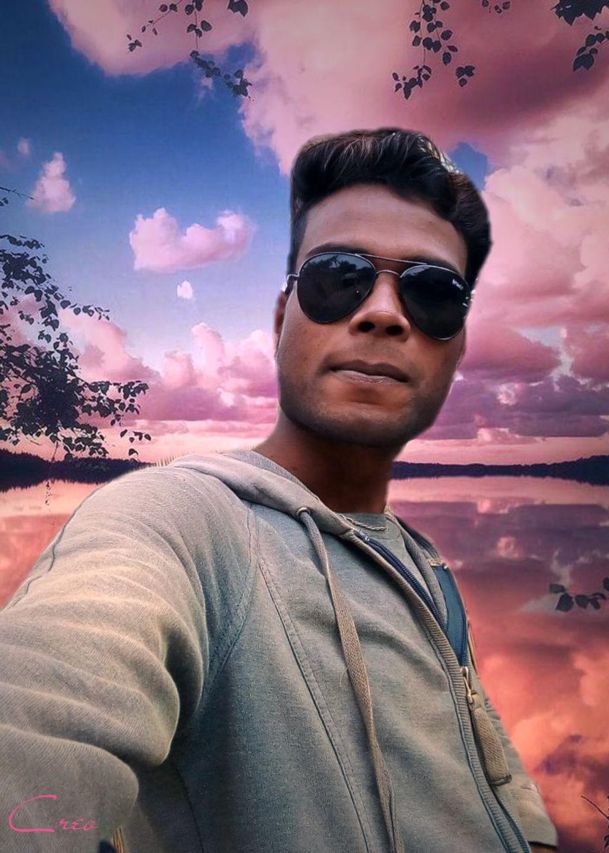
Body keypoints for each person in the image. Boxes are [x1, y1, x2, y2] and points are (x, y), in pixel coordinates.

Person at [0, 128, 558, 853]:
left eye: (432, 293)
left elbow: (487, 761)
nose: (384, 312)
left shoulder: (426, 565)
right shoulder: (180, 523)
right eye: (339, 276)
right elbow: (43, 706)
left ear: (457, 347)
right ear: (279, 319)